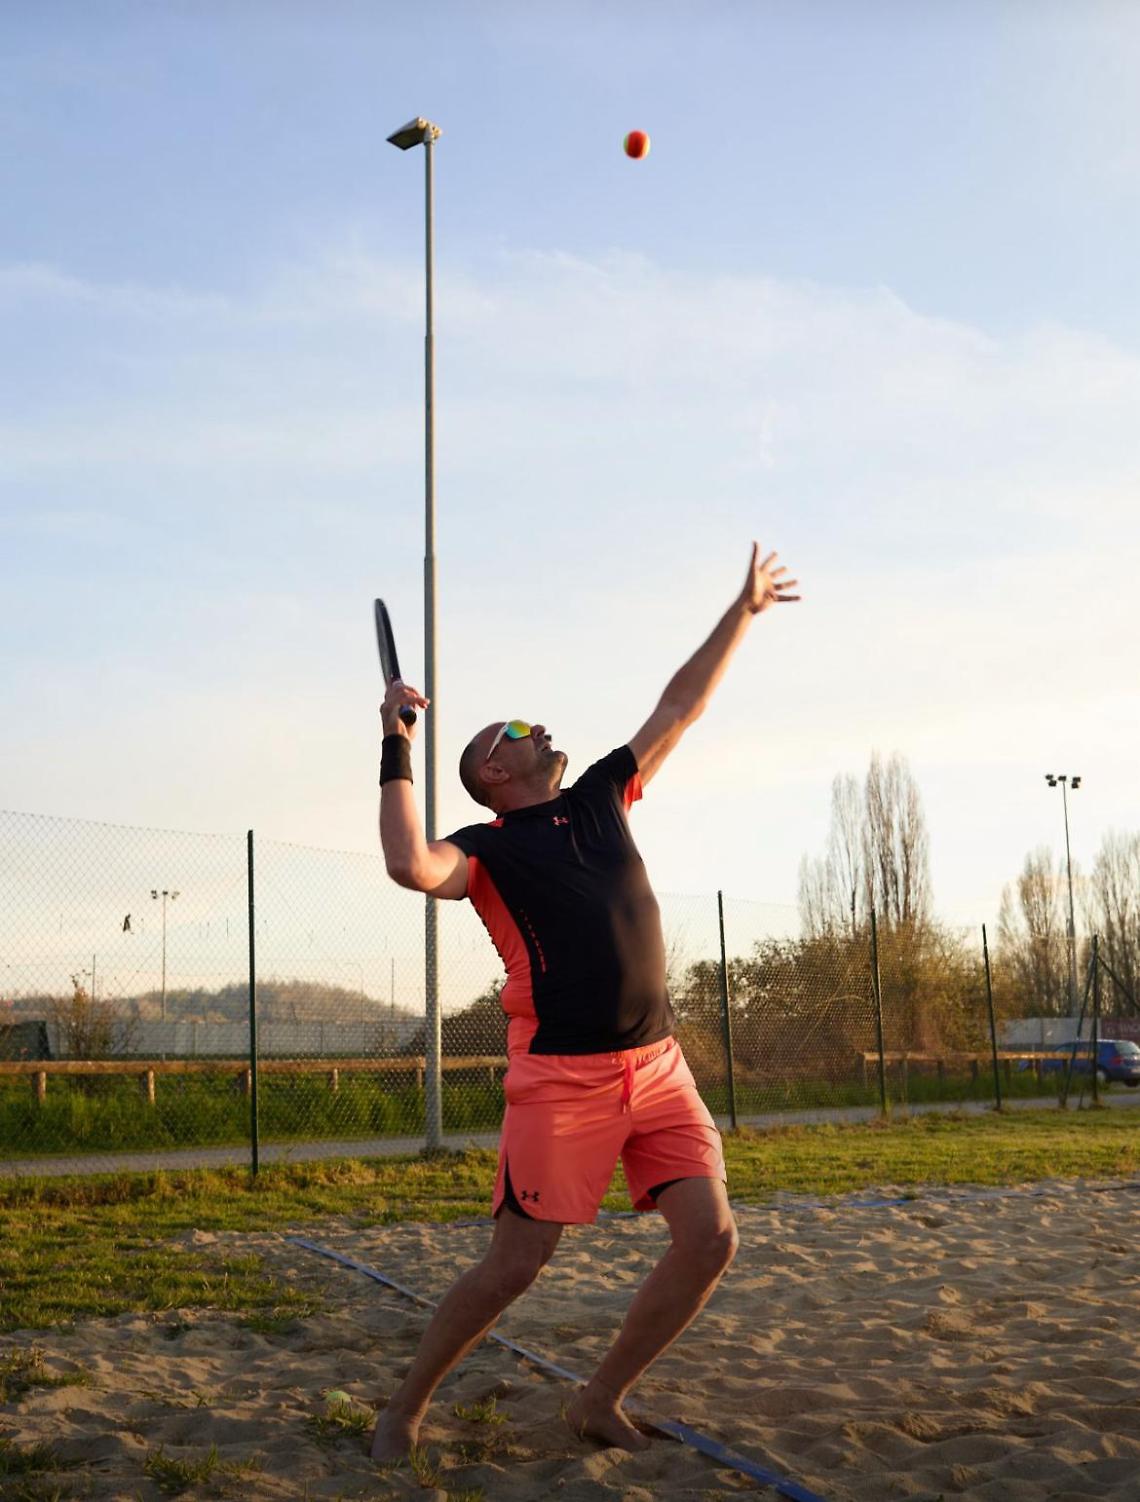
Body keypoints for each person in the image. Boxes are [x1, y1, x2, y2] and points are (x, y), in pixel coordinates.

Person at [372, 543, 800, 1461]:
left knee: (711, 1238)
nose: (537, 726)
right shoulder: (484, 848)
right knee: (513, 1268)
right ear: (493, 771)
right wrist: (396, 740)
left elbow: (679, 705)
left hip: (658, 1066)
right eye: (514, 727)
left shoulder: (605, 791)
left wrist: (744, 610)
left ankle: (598, 1399)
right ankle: (403, 1408)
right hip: (562, 1081)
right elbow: (409, 864)